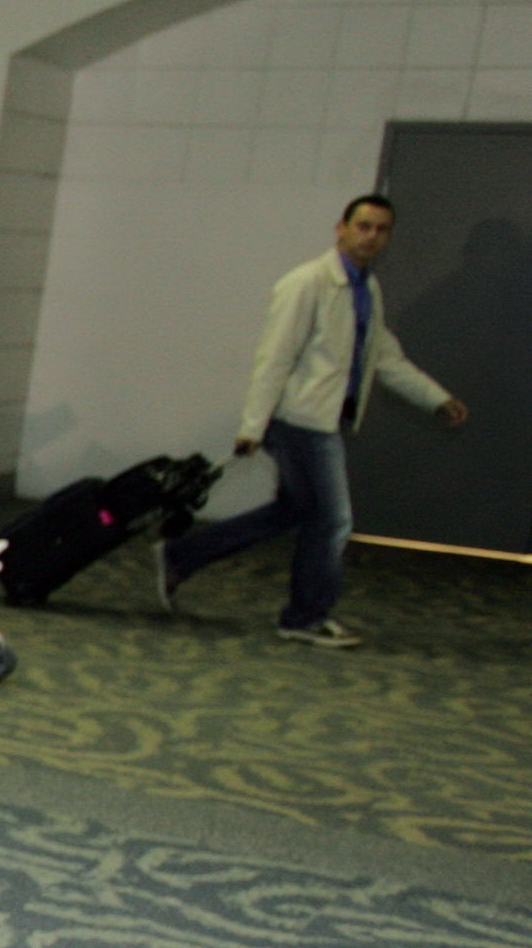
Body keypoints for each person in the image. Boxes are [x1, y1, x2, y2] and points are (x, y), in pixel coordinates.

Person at [158, 194, 469, 649]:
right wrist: (253, 425)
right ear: (341, 228)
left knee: (294, 511)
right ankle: (304, 617)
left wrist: (436, 399)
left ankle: (179, 557)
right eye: (363, 226)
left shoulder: (366, 289)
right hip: (299, 421)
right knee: (333, 520)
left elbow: (384, 357)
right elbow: (274, 357)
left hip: (323, 418)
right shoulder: (306, 283)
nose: (372, 237)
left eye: (382, 230)